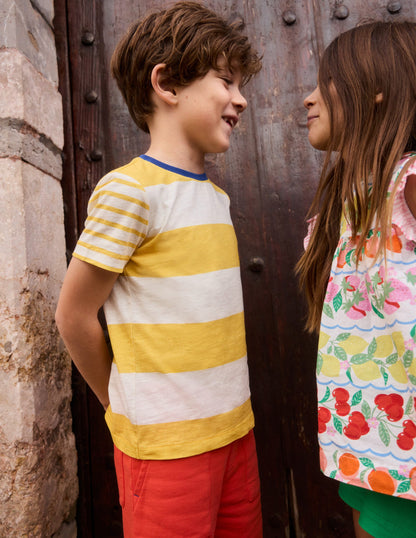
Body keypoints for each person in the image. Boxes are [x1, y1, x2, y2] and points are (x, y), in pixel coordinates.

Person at [55, 2, 262, 537]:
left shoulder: (215, 197)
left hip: (237, 434)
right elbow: (74, 315)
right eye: (225, 80)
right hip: (165, 450)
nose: (241, 98)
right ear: (167, 83)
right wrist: (121, 404)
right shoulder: (130, 191)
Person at [297, 21, 416, 538]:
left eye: (326, 81)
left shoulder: (408, 183)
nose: (308, 97)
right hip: (367, 446)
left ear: (375, 88)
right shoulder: (348, 202)